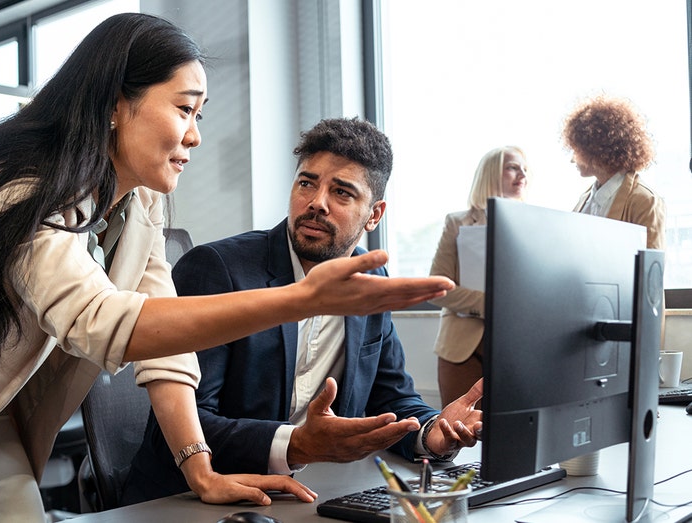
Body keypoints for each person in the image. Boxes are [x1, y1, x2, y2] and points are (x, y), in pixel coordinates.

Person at [0, 14, 455, 522]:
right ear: (114, 104)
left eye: (200, 114)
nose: (194, 134)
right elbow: (106, 324)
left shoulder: (137, 202)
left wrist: (201, 466)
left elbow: (166, 343)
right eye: (183, 109)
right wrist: (299, 300)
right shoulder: (15, 182)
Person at [121, 117, 483, 505]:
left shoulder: (371, 281)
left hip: (311, 496)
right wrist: (294, 446)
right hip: (188, 500)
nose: (316, 203)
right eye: (307, 183)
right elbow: (179, 425)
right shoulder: (218, 269)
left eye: (342, 192)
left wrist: (433, 432)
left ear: (374, 215)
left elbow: (391, 400)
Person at [429, 146, 528, 407]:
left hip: (516, 347)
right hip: (462, 349)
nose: (522, 175)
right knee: (458, 434)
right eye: (513, 167)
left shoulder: (532, 226)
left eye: (525, 170)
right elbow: (438, 287)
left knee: (514, 435)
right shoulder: (457, 223)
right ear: (491, 172)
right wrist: (490, 304)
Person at [562, 94, 665, 249]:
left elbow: (650, 269)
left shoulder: (645, 201)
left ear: (597, 150)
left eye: (577, 150)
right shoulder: (585, 198)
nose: (572, 159)